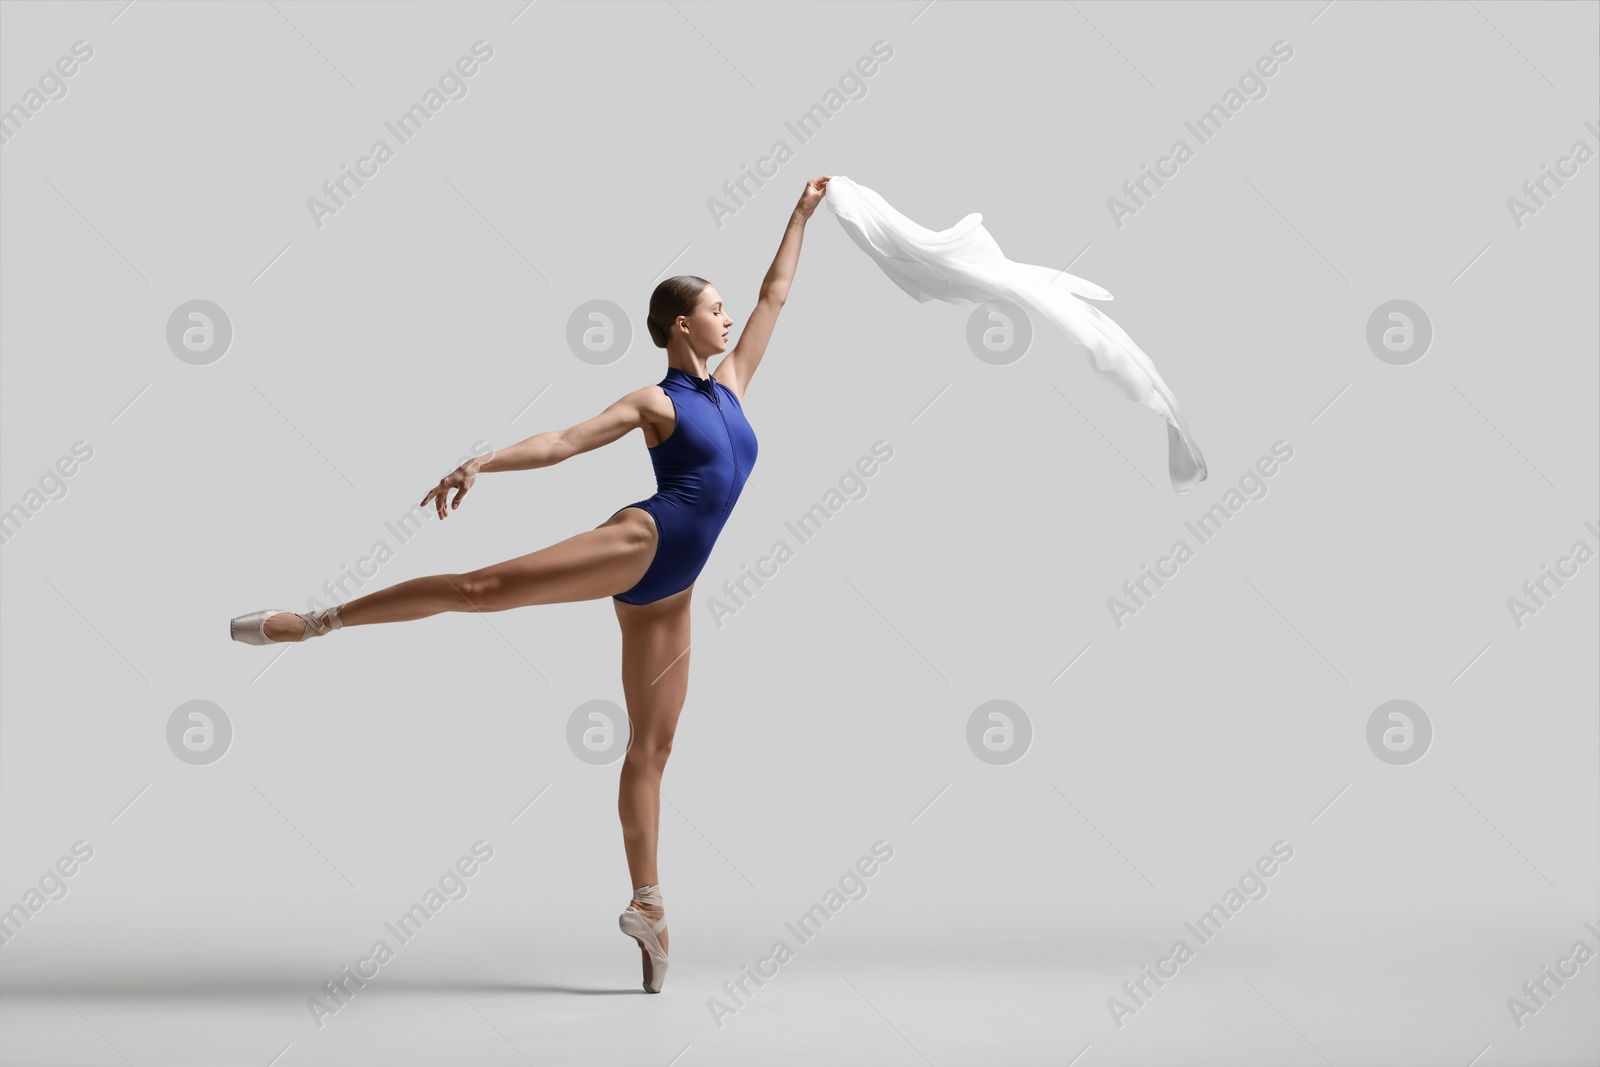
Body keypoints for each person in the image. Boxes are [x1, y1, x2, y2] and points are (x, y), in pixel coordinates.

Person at [230, 176, 833, 993]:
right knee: (479, 588)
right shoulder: (657, 399)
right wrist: (484, 459)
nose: (730, 318)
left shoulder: (734, 386)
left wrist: (798, 214)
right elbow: (562, 442)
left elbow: (776, 294)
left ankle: (648, 908)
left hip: (675, 591)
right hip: (642, 539)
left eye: (728, 309)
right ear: (679, 324)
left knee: (651, 747)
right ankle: (318, 619)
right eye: (715, 309)